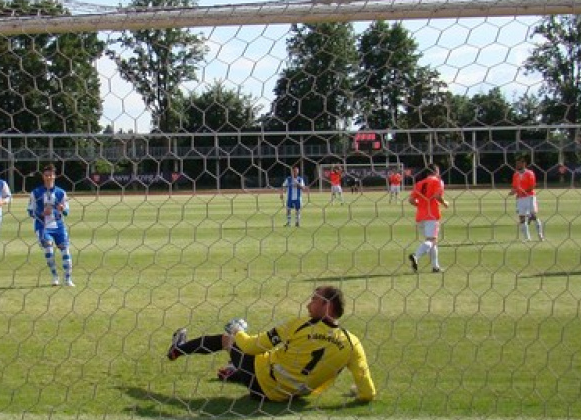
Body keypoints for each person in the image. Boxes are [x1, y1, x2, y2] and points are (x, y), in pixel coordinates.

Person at [166, 285, 376, 404]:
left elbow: (250, 347)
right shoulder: (352, 343)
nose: (308, 304)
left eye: (313, 299)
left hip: (261, 387)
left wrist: (237, 330)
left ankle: (178, 349)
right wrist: (358, 394)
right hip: (293, 396)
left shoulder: (299, 325)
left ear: (326, 305)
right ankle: (234, 372)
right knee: (268, 360)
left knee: (227, 341)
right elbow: (368, 391)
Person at [28, 164, 74, 286]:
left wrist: (62, 208)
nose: (49, 177)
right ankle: (55, 277)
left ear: (55, 176)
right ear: (43, 177)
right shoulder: (36, 193)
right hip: (42, 226)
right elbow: (30, 211)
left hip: (58, 226)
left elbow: (67, 212)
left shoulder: (61, 193)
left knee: (65, 251)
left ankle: (68, 279)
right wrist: (42, 213)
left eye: (51, 175)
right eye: (46, 175)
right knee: (48, 249)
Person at [407, 165, 448, 273]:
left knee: (432, 242)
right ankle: (416, 255)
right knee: (431, 240)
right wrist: (444, 203)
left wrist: (420, 206)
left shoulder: (419, 183)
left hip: (420, 217)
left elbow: (411, 200)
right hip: (432, 216)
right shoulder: (437, 181)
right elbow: (437, 196)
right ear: (436, 171)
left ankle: (435, 267)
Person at [509, 158, 545, 242]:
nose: (517, 165)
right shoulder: (515, 175)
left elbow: (532, 186)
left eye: (519, 163)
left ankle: (540, 235)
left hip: (530, 197)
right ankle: (527, 238)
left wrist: (523, 191)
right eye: (516, 164)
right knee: (521, 217)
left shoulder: (530, 173)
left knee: (533, 216)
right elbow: (515, 186)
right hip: (520, 199)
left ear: (524, 164)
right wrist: (513, 192)